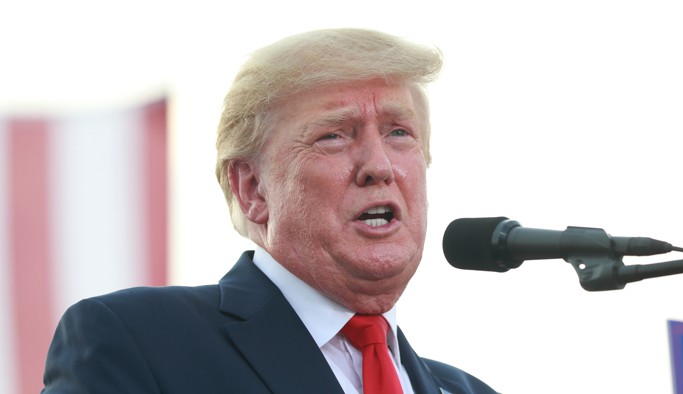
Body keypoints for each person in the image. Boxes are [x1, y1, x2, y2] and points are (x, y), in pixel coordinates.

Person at [42, 28, 497, 393]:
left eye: (399, 132)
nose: (378, 166)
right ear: (252, 189)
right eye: (334, 135)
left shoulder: (468, 389)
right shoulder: (140, 340)